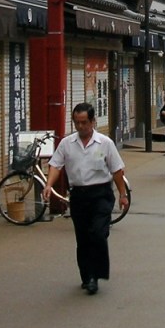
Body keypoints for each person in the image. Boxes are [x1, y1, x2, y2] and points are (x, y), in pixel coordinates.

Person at [42, 103, 129, 295]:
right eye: (77, 123)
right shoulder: (67, 144)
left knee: (97, 234)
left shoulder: (105, 143)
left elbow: (117, 170)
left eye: (84, 122)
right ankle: (87, 276)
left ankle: (96, 276)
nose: (80, 127)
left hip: (101, 195)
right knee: (83, 239)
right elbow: (55, 165)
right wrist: (48, 185)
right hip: (79, 196)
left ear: (92, 121)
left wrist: (122, 195)